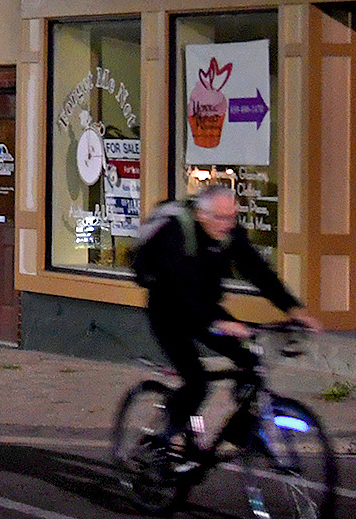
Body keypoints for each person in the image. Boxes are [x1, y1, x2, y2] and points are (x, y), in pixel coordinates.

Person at [135, 183, 320, 464]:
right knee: (196, 382)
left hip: (207, 308)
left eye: (232, 217)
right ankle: (164, 439)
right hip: (168, 310)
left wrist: (293, 309)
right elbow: (179, 286)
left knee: (250, 363)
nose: (227, 225)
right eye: (220, 218)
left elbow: (257, 271)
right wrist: (219, 323)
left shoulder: (229, 234)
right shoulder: (175, 232)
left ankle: (237, 429)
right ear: (200, 214)